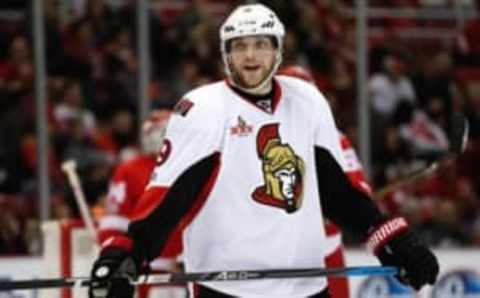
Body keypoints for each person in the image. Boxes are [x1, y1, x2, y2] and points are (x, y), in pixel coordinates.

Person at [89, 4, 439, 298]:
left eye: (261, 44)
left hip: (306, 286)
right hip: (228, 290)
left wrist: (391, 238)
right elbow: (169, 196)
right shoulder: (202, 108)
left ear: (278, 50)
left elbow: (337, 191)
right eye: (239, 46)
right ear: (226, 54)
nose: (251, 55)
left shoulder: (308, 100)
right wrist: (130, 253)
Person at [278, 65, 372, 298]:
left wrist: (341, 207)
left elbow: (359, 188)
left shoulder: (335, 139)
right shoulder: (264, 141)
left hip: (326, 251)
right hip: (277, 253)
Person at [98, 108, 186, 298]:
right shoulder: (130, 170)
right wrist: (119, 258)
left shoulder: (191, 166)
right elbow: (112, 225)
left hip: (189, 269)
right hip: (148, 271)